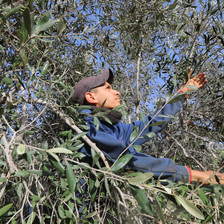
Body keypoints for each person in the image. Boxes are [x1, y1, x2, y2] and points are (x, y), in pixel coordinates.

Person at [71, 68, 224, 185]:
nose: (116, 91)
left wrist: (181, 94)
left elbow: (150, 124)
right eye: (108, 88)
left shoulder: (114, 128)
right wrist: (193, 175)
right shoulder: (87, 126)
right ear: (91, 97)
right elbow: (129, 160)